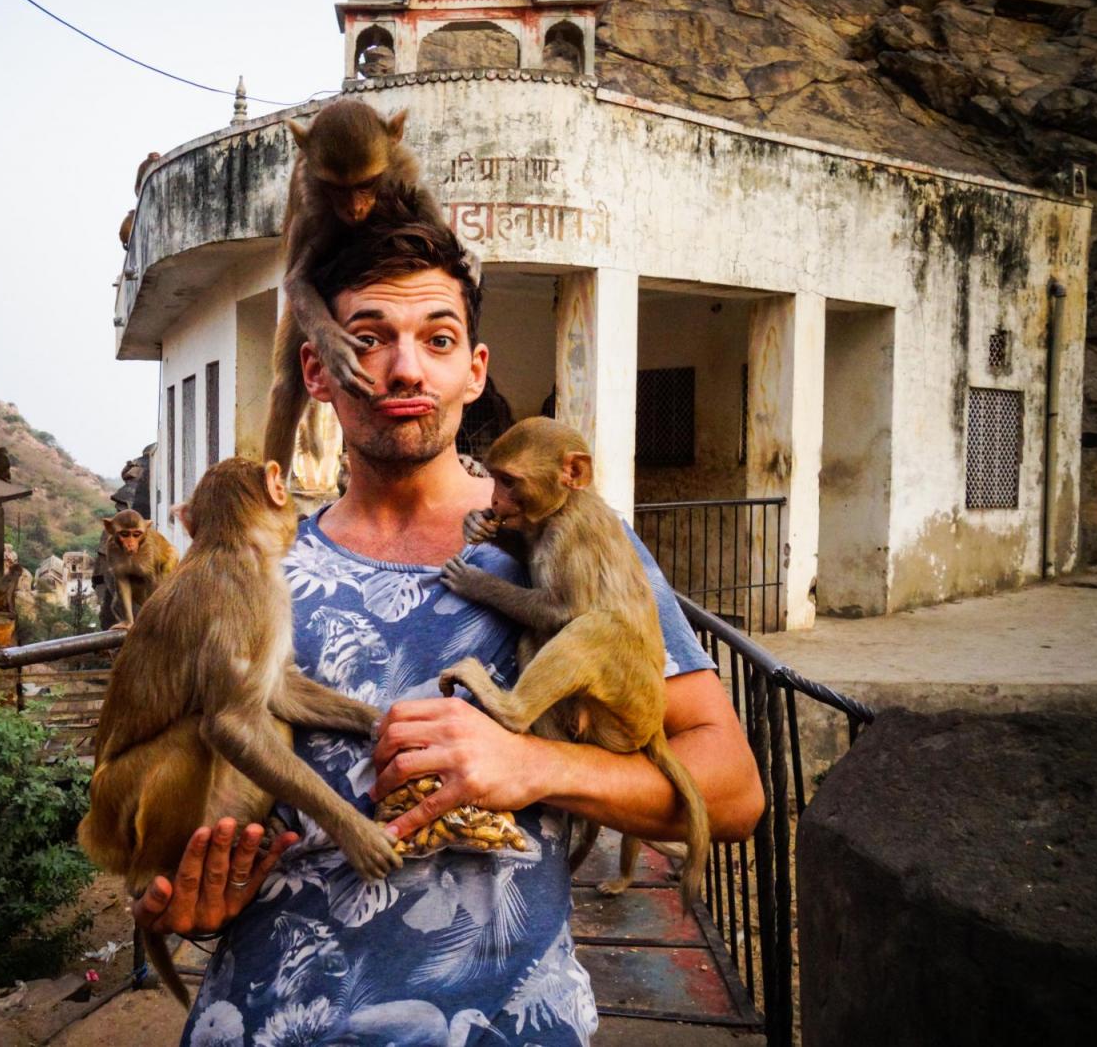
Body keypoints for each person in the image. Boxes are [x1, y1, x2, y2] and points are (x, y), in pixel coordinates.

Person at [137, 220, 764, 1045]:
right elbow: (182, 800)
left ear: (473, 372)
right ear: (317, 370)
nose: (404, 367)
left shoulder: (567, 538)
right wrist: (195, 895)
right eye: (369, 339)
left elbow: (732, 789)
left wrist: (532, 762)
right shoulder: (250, 570)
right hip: (260, 1024)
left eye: (437, 338)